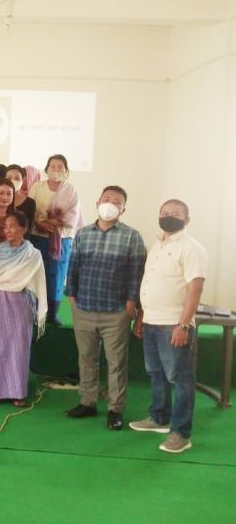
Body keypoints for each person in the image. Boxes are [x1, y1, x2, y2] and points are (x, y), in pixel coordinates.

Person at [64, 186, 146, 430]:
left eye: (117, 201)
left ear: (123, 209)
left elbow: (137, 273)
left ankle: (115, 409)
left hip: (116, 311)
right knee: (86, 358)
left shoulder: (132, 236)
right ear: (98, 202)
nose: (110, 204)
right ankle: (87, 402)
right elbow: (73, 268)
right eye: (106, 199)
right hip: (84, 308)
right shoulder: (83, 234)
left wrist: (132, 302)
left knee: (116, 363)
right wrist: (72, 297)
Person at [130, 199, 207, 453]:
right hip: (151, 321)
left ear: (187, 219)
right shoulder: (157, 244)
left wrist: (183, 326)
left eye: (175, 213)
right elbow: (149, 282)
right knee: (156, 373)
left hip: (174, 324)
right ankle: (159, 417)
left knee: (180, 379)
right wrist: (142, 317)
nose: (168, 216)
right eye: (164, 212)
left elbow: (195, 289)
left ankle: (181, 433)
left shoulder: (192, 248)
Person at [0, 211, 47, 407]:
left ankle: (17, 391)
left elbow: (35, 282)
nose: (7, 230)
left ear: (23, 229)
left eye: (12, 226)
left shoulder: (33, 254)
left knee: (18, 345)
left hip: (21, 302)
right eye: (5, 226)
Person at [28, 154, 82, 326]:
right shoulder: (37, 187)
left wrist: (51, 223)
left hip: (61, 239)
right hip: (37, 235)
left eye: (60, 167)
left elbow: (73, 214)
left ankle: (52, 313)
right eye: (53, 166)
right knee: (37, 273)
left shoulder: (70, 190)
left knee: (56, 275)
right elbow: (29, 208)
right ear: (47, 169)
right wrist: (39, 223)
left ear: (66, 170)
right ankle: (34, 311)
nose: (56, 169)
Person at [5, 164, 36, 232]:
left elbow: (28, 229)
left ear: (22, 180)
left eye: (17, 178)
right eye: (9, 178)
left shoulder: (30, 203)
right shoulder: (0, 200)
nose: (12, 181)